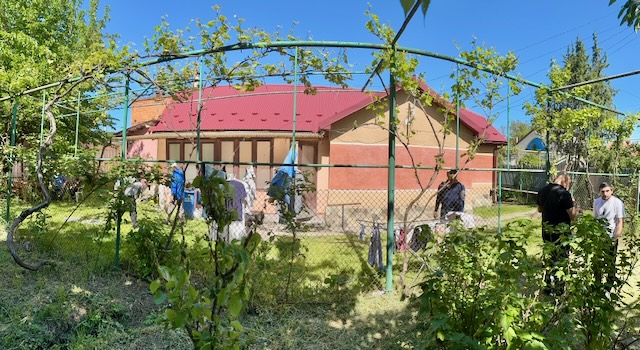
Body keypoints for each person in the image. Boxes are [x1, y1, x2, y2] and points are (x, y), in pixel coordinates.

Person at [537, 174, 577, 296]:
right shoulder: (564, 194)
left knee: (549, 258)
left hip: (546, 230)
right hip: (562, 233)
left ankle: (547, 287)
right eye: (568, 184)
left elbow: (539, 209)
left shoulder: (542, 191)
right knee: (561, 259)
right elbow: (573, 216)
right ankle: (560, 289)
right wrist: (575, 208)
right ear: (565, 182)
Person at [593, 182, 625, 291]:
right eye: (603, 191)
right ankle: (597, 286)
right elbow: (595, 219)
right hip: (598, 237)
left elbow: (620, 222)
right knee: (597, 263)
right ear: (599, 192)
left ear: (612, 191)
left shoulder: (617, 203)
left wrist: (615, 238)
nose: (605, 194)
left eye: (607, 191)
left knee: (610, 263)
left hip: (611, 236)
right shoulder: (596, 202)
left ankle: (608, 288)